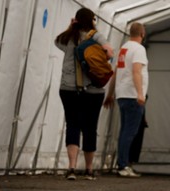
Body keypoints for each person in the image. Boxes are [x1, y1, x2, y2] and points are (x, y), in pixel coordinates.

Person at [55, 8, 114, 180]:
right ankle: (89, 170)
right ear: (92, 20)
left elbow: (57, 42)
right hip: (93, 89)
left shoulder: (68, 38)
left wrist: (71, 27)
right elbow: (110, 52)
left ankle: (72, 168)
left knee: (72, 124)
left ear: (77, 21)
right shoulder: (96, 36)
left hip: (68, 88)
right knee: (90, 127)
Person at [103, 22, 148, 177]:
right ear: (142, 34)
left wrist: (110, 94)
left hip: (122, 94)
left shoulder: (124, 48)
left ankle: (122, 164)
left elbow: (116, 73)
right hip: (132, 95)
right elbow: (136, 71)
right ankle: (123, 166)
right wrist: (140, 94)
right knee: (130, 131)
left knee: (124, 131)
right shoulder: (139, 49)